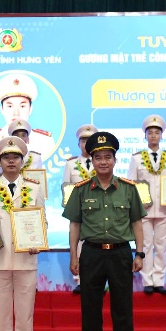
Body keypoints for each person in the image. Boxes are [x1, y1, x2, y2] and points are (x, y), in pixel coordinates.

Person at [62, 132, 146, 331]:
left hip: (120, 254)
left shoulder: (128, 189)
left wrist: (139, 254)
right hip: (92, 253)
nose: (103, 162)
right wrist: (73, 256)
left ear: (115, 160)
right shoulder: (81, 190)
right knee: (90, 311)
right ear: (92, 161)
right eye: (98, 158)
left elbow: (137, 223)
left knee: (123, 311)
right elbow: (75, 225)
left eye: (108, 157)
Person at [0, 136, 46, 331]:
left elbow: (42, 220)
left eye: (15, 157)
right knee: (1, 313)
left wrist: (38, 242)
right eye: (6, 157)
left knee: (25, 314)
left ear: (22, 161)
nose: (11, 161)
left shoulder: (34, 188)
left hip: (26, 258)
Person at [127, 115, 166, 295]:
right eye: (150, 133)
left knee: (161, 245)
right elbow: (131, 184)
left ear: (161, 135)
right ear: (145, 136)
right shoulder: (136, 158)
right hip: (144, 210)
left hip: (165, 210)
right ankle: (147, 281)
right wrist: (137, 204)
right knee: (145, 245)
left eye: (157, 132)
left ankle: (159, 281)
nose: (153, 136)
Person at [0, 72, 55, 159]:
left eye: (22, 106)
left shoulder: (45, 141)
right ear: (2, 109)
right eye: (10, 106)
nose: (16, 113)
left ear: (30, 109)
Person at [62, 124, 98, 294]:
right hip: (78, 211)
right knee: (78, 243)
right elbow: (66, 187)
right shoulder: (71, 164)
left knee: (97, 245)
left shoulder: (101, 162)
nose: (86, 144)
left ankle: (97, 280)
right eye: (83, 141)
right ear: (78, 144)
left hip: (98, 211)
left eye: (89, 140)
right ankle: (80, 280)